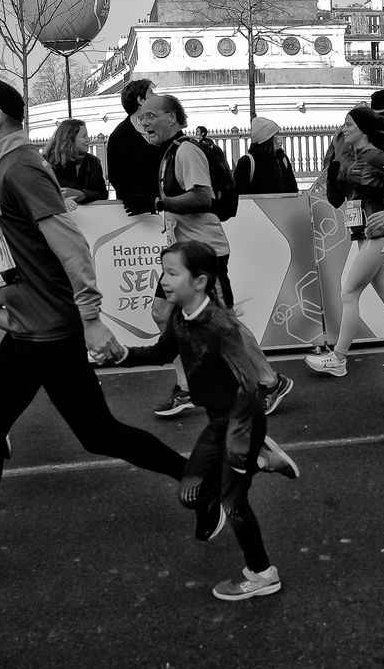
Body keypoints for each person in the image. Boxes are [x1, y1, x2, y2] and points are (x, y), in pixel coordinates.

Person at [0, 80, 194, 587]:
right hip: (32, 328)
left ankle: (198, 478)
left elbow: (69, 240)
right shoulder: (7, 167)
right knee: (5, 431)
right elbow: (5, 229)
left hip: (48, 330)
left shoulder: (25, 165)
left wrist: (91, 317)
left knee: (96, 433)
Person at [114, 241, 298, 600]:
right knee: (189, 492)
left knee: (234, 503)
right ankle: (261, 460)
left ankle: (262, 574)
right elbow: (161, 351)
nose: (163, 280)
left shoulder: (220, 327)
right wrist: (119, 355)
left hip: (240, 424)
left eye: (171, 273)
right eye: (162, 271)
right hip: (219, 423)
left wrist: (238, 441)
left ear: (199, 281)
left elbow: (248, 387)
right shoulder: (181, 315)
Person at [139, 93, 293, 417]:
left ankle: (270, 380)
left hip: (205, 253)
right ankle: (186, 388)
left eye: (151, 115)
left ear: (172, 117)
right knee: (161, 311)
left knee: (226, 323)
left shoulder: (187, 150)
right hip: (184, 251)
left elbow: (202, 196)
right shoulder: (169, 153)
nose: (145, 121)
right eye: (142, 117)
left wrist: (159, 203)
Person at [305, 107, 384, 377]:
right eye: (344, 124)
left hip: (378, 231)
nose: (344, 129)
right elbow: (337, 201)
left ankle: (339, 357)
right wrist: (332, 176)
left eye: (349, 124)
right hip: (359, 232)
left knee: (348, 292)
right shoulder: (348, 159)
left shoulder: (377, 157)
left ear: (364, 129)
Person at [106, 79, 162, 215]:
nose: (156, 96)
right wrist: (145, 201)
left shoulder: (164, 129)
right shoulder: (120, 136)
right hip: (136, 215)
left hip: (167, 208)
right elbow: (117, 177)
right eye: (151, 92)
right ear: (140, 100)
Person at [43, 119, 108, 204]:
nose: (88, 139)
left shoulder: (93, 162)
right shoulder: (49, 162)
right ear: (70, 139)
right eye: (84, 136)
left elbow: (102, 194)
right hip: (61, 215)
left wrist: (83, 194)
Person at [233, 117, 298, 194]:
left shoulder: (282, 159)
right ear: (266, 139)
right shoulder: (247, 162)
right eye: (275, 136)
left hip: (282, 205)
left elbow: (293, 190)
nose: (279, 139)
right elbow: (237, 195)